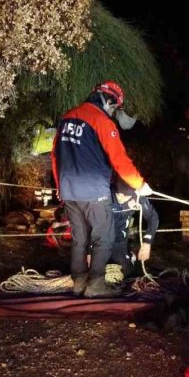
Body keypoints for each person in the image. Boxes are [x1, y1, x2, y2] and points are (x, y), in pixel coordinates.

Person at [51, 80, 153, 297]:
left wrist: (61, 187)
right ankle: (95, 285)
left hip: (69, 191)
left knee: (79, 238)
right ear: (108, 100)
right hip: (93, 191)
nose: (114, 112)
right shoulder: (102, 122)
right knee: (104, 237)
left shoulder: (67, 117)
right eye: (114, 107)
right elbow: (120, 160)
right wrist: (140, 185)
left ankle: (79, 282)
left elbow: (55, 155)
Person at [109, 179, 160, 281]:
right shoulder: (105, 194)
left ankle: (131, 254)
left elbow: (153, 217)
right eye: (120, 195)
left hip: (120, 239)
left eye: (126, 196)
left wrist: (147, 242)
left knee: (125, 271)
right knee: (97, 271)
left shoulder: (137, 197)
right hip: (101, 240)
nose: (122, 198)